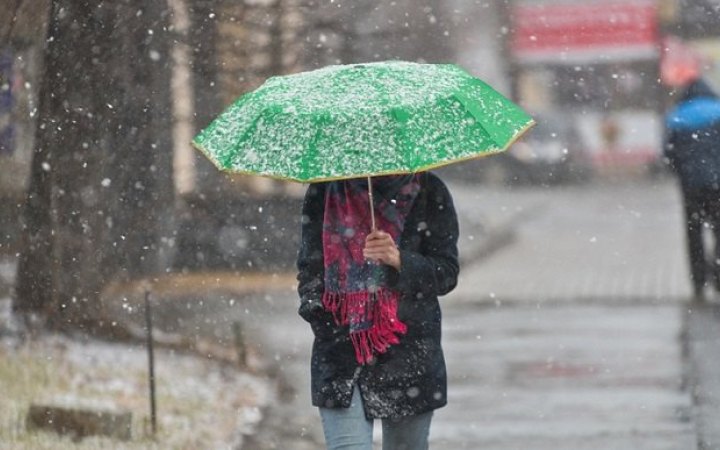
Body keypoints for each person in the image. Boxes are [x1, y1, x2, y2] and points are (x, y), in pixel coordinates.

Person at [296, 172, 459, 449]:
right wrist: (324, 318)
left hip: (408, 350)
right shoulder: (325, 191)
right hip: (341, 352)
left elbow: (446, 273)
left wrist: (398, 260)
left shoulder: (429, 190)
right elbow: (310, 269)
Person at [664, 78, 720, 300]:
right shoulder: (718, 111)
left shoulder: (677, 116)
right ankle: (718, 275)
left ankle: (698, 282)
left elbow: (667, 154)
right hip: (718, 185)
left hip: (691, 188)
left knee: (693, 233)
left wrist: (682, 171)